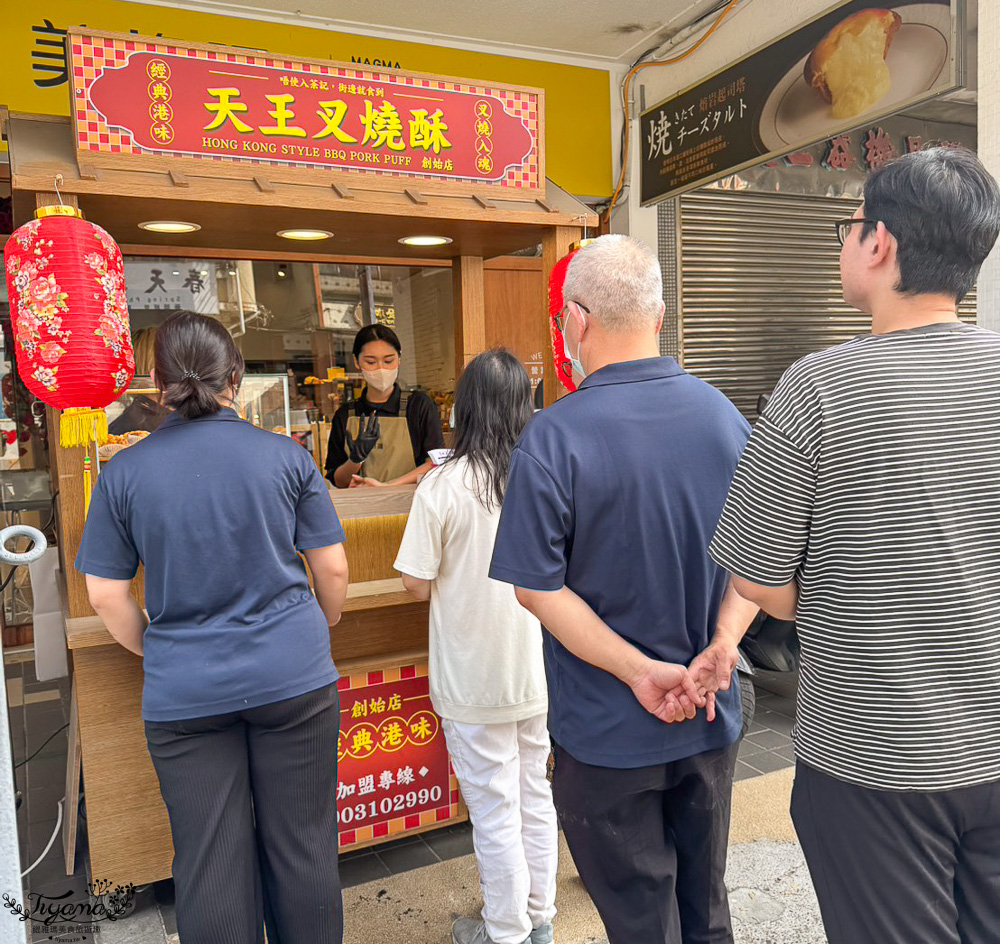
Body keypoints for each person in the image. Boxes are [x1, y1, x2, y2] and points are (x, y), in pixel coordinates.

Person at [709, 147, 1000, 944]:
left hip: (874, 758)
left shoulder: (821, 386)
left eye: (849, 227)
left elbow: (757, 577)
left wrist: (845, 590)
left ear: (879, 244)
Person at [489, 235, 759, 944]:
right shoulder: (724, 418)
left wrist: (641, 674)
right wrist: (722, 648)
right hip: (710, 714)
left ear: (576, 321)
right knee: (707, 903)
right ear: (661, 314)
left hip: (607, 734)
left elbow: (538, 591)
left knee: (642, 919)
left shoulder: (552, 437)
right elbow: (760, 564)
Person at [75, 310, 350, 944]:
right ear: (237, 377)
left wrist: (158, 646)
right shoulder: (285, 456)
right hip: (294, 678)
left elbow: (105, 594)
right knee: (304, 848)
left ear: (155, 381)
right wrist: (318, 626)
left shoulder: (124, 474)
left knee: (208, 860)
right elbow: (330, 569)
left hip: (184, 693)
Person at [394, 349, 557, 944]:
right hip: (538, 671)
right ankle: (540, 918)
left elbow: (415, 580)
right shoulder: (544, 473)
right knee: (535, 793)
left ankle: (506, 931)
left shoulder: (443, 485)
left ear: (463, 409)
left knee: (493, 810)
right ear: (523, 407)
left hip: (472, 676)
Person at [326, 324, 444, 488]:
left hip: (411, 507)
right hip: (361, 509)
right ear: (356, 361)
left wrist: (387, 486)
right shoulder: (345, 414)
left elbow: (435, 463)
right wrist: (355, 459)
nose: (381, 369)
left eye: (388, 361)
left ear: (399, 359)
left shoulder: (418, 406)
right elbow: (338, 482)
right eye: (371, 362)